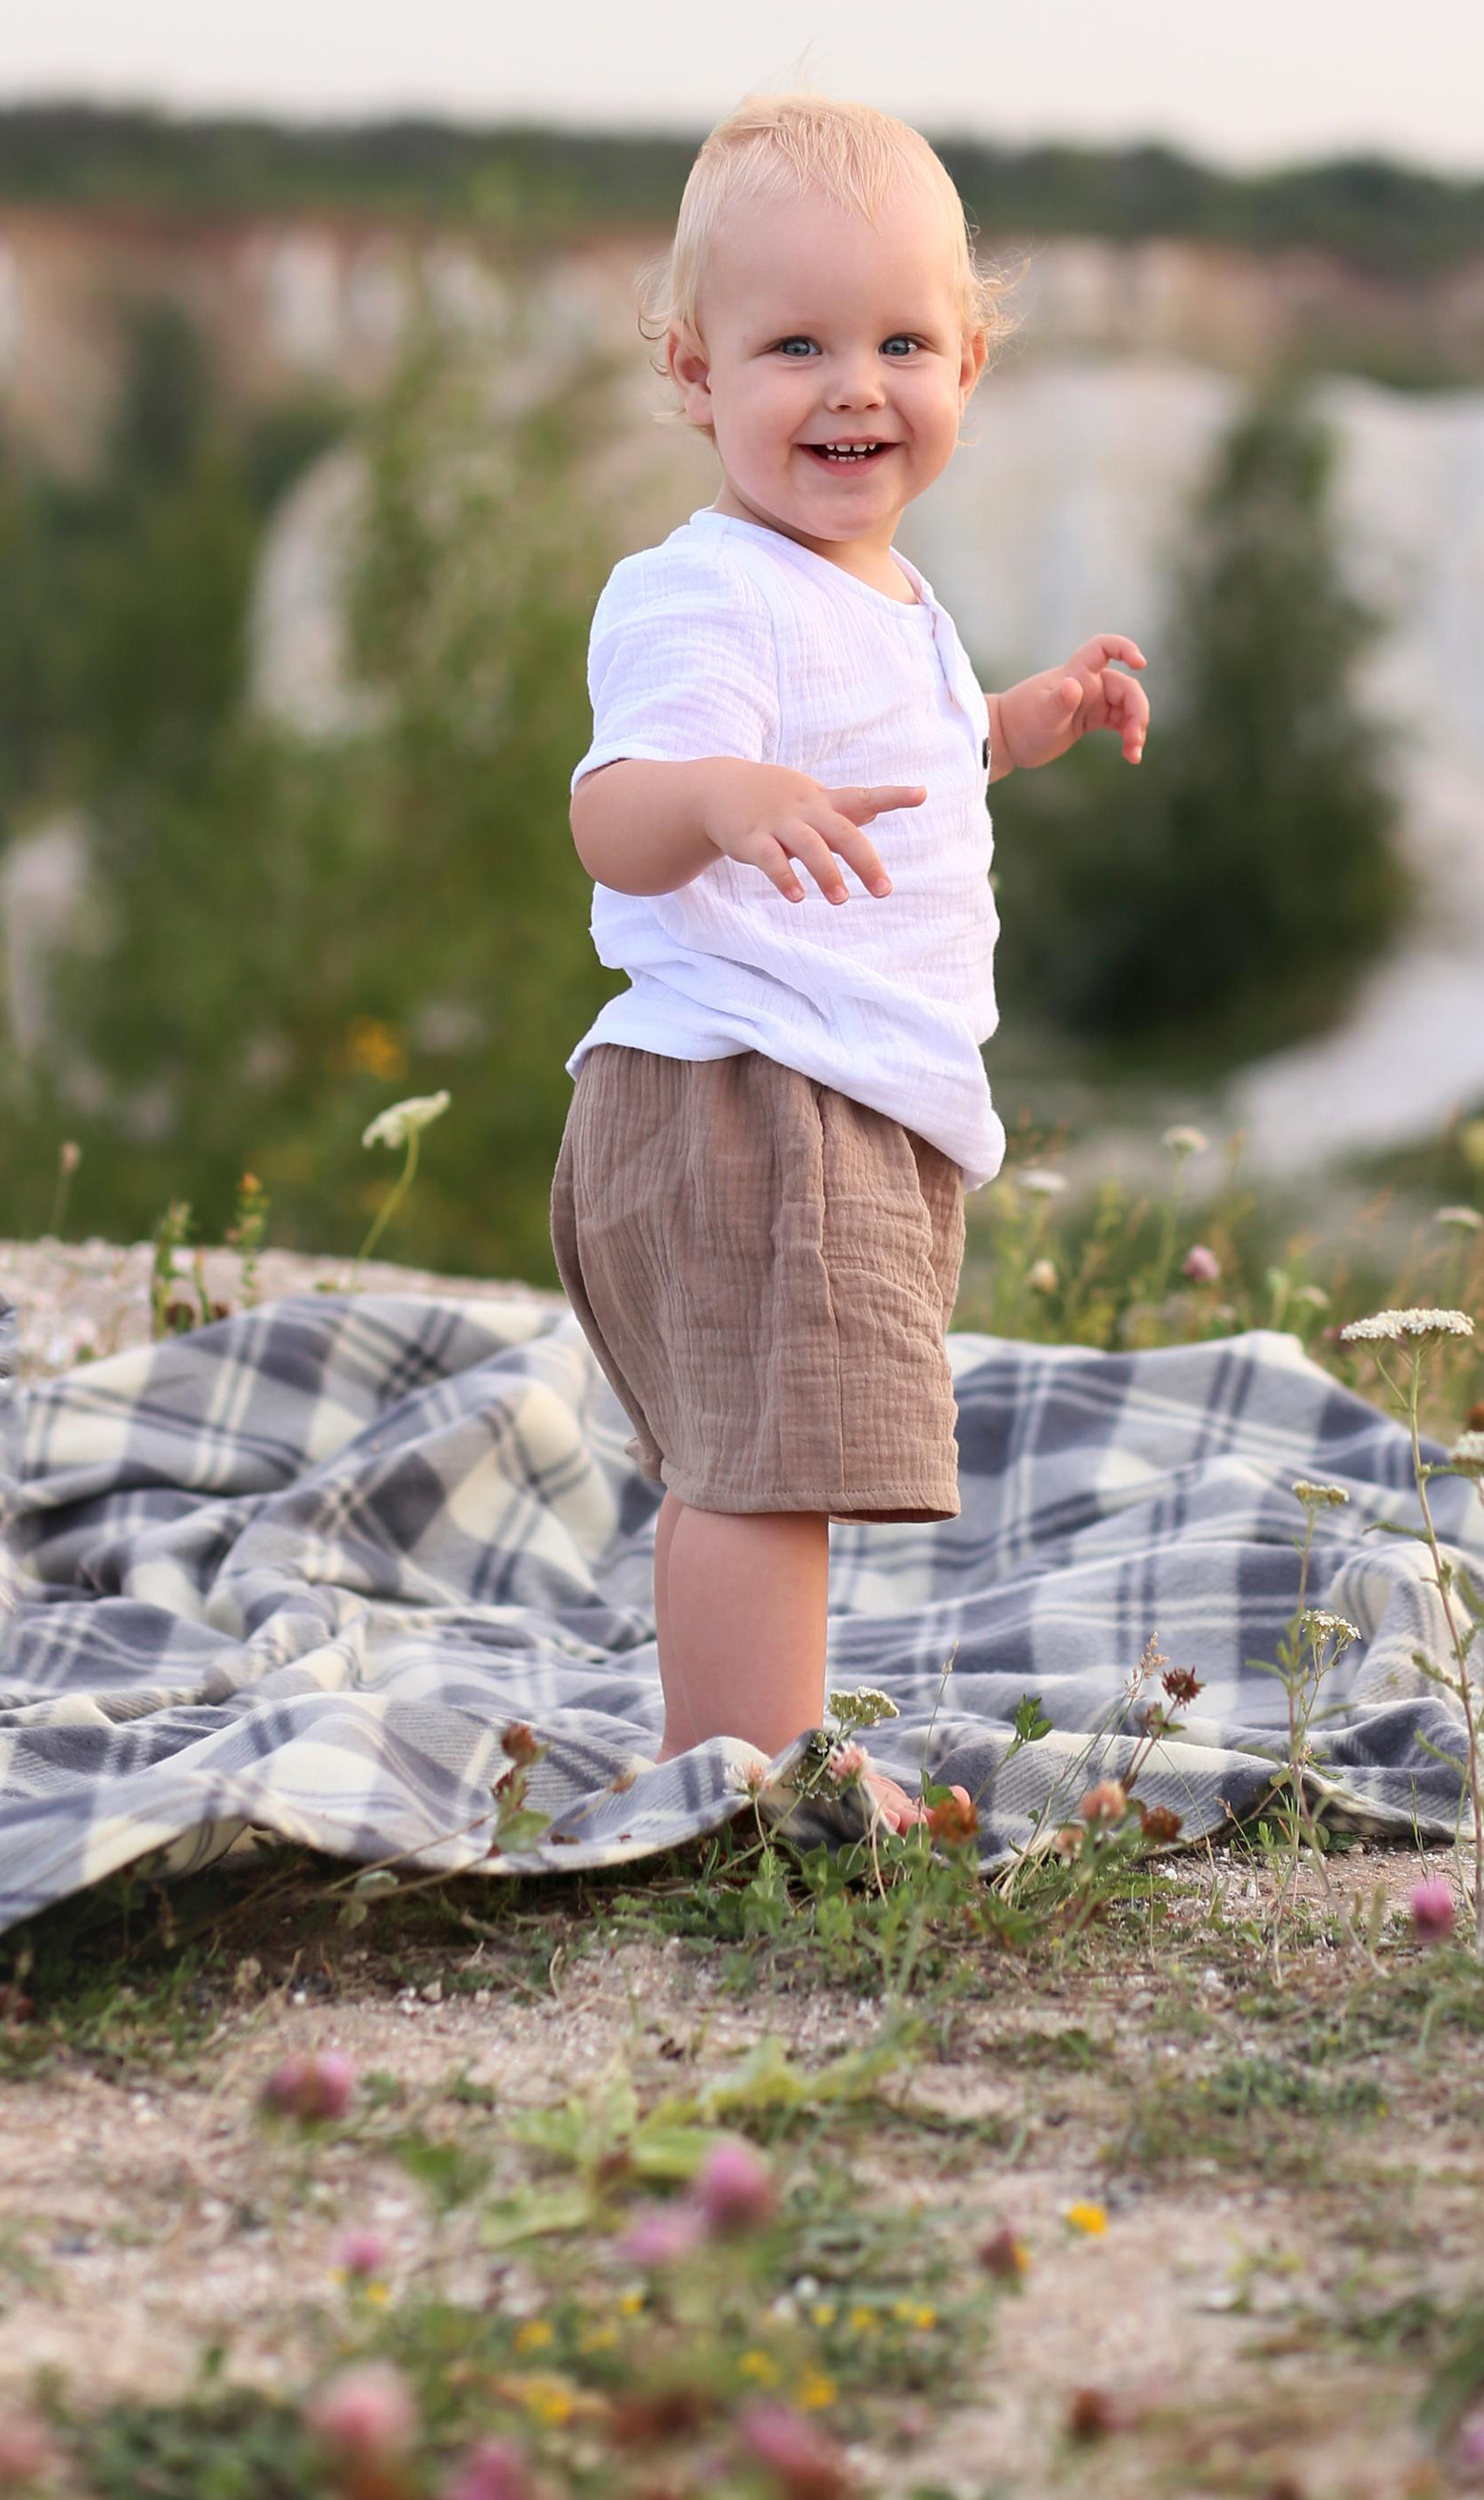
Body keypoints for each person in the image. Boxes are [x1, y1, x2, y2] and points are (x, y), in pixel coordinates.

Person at [552, 91, 1149, 1827]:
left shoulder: (882, 591)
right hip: (751, 1094)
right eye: (794, 346)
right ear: (695, 374)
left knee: (754, 1456)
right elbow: (610, 815)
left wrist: (1024, 722)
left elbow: (905, 762)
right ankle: (760, 1775)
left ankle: (728, 1753)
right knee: (770, 1469)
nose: (853, 388)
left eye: (900, 343)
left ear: (970, 360)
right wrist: (717, 797)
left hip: (822, 1094)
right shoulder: (708, 594)